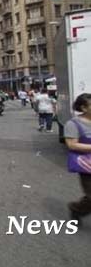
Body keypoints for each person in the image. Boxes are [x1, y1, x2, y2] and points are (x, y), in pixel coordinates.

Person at [65, 94, 91, 224]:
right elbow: (71, 144)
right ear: (84, 108)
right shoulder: (73, 124)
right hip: (87, 164)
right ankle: (76, 208)